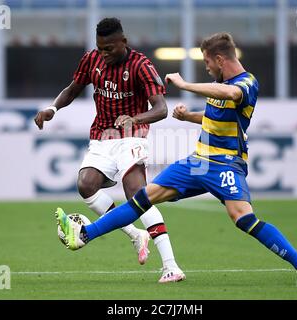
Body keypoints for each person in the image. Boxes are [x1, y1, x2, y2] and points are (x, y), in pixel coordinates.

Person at [56, 32, 297, 286]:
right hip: (198, 162)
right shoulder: (220, 84)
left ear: (220, 59)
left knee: (244, 219)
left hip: (225, 165)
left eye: (207, 62)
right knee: (142, 198)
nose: (207, 67)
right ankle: (84, 235)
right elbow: (217, 112)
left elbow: (231, 96)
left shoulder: (246, 83)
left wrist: (185, 85)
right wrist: (189, 117)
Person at [35, 17, 185, 283]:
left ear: (123, 42)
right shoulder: (91, 60)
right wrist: (52, 109)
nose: (104, 54)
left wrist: (135, 118)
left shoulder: (141, 65)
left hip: (132, 135)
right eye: (100, 48)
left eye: (109, 49)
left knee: (137, 194)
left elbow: (161, 109)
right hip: (102, 136)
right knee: (86, 184)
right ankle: (136, 234)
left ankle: (171, 265)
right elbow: (72, 90)